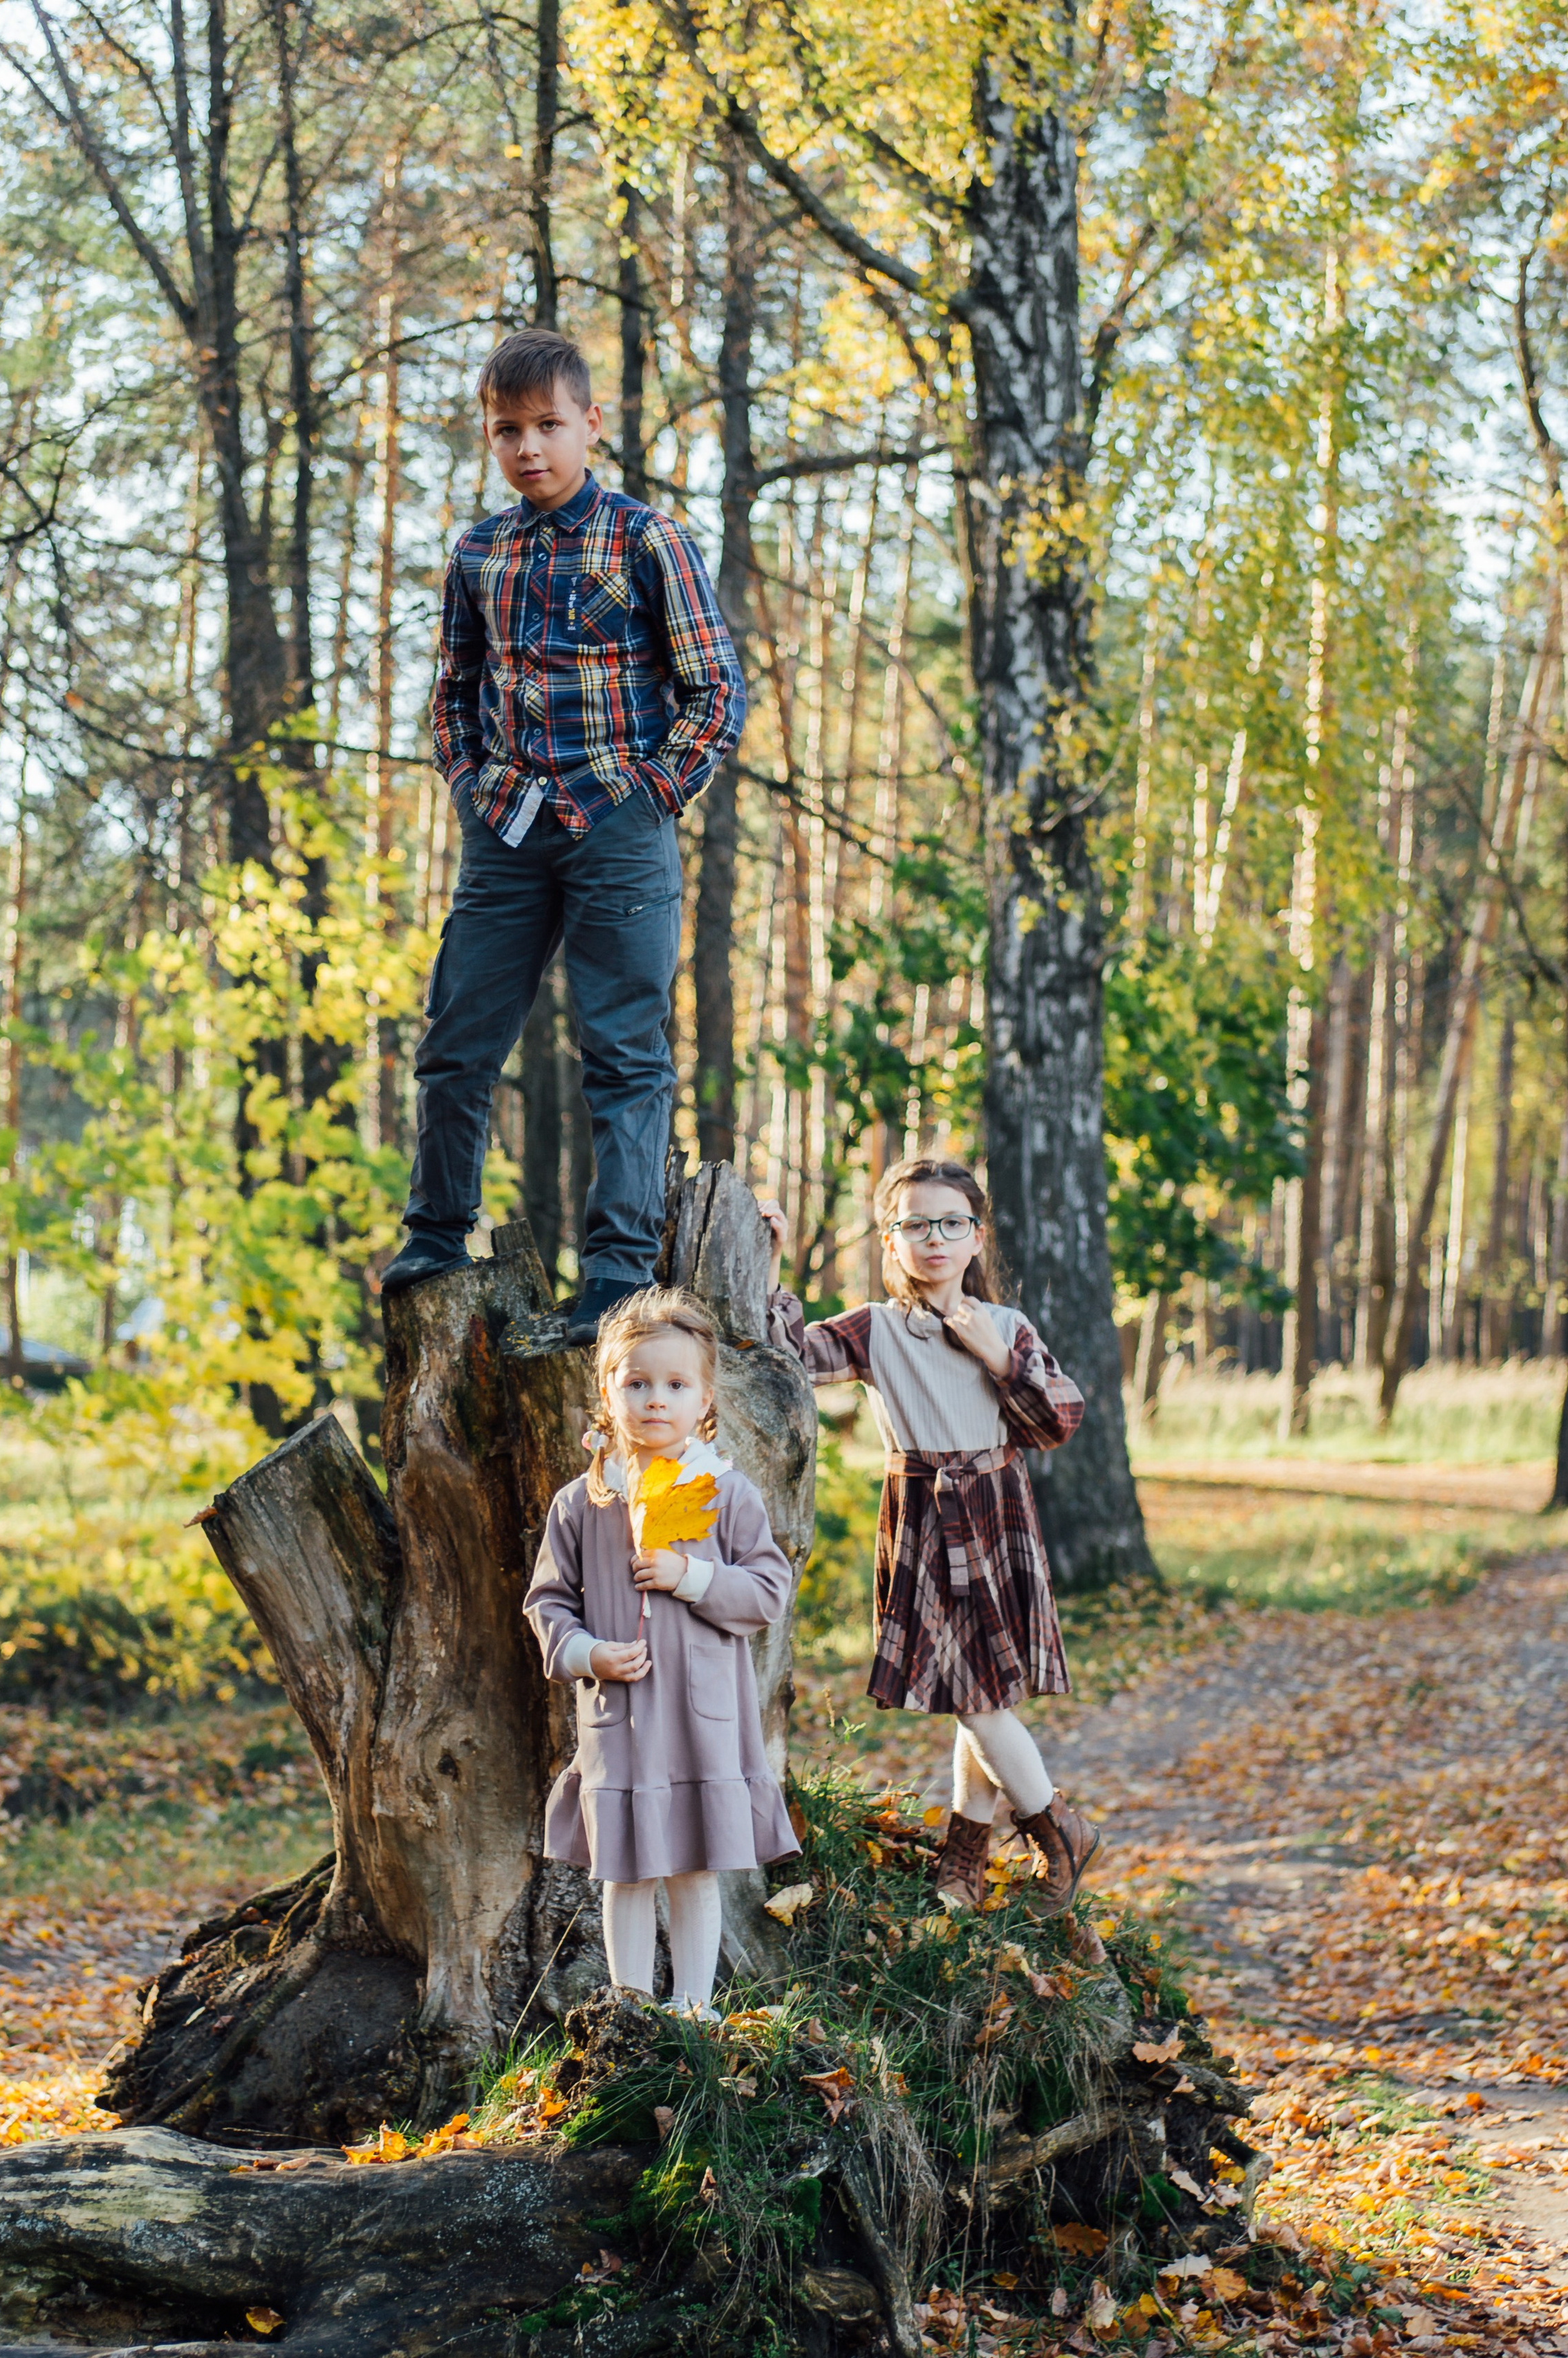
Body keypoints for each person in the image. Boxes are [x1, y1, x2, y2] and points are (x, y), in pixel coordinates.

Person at [384, 330, 746, 1342]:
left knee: (623, 1055)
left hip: (617, 834)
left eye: (549, 425)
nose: (529, 447)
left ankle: (617, 1277)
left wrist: (646, 796)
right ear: (490, 439)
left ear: (592, 423)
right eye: (508, 431)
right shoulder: (479, 553)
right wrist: (469, 783)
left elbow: (714, 690)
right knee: (456, 1040)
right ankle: (436, 1232)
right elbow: (452, 693)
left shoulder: (647, 541)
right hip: (506, 831)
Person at [760, 1157, 1099, 1918]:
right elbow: (787, 1351)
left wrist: (993, 1354)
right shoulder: (874, 1328)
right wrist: (773, 1262)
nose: (934, 1237)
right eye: (915, 1223)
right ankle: (972, 1854)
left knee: (976, 1696)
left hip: (994, 1512)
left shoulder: (1007, 1327)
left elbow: (1056, 1421)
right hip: (921, 1516)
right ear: (891, 1241)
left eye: (951, 1222)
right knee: (968, 1691)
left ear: (976, 1237)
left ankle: (1046, 1834)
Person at [525, 1285, 798, 2014]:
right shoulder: (583, 1503)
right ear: (607, 1393)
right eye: (636, 1382)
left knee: (694, 1868)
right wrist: (588, 1654)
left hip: (703, 1721)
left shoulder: (723, 1492)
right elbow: (547, 1600)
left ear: (704, 1398)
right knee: (627, 1872)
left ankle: (695, 2006)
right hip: (623, 1724)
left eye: (676, 1385)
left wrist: (693, 1575)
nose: (655, 1399)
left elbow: (768, 1589)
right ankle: (632, 2008)